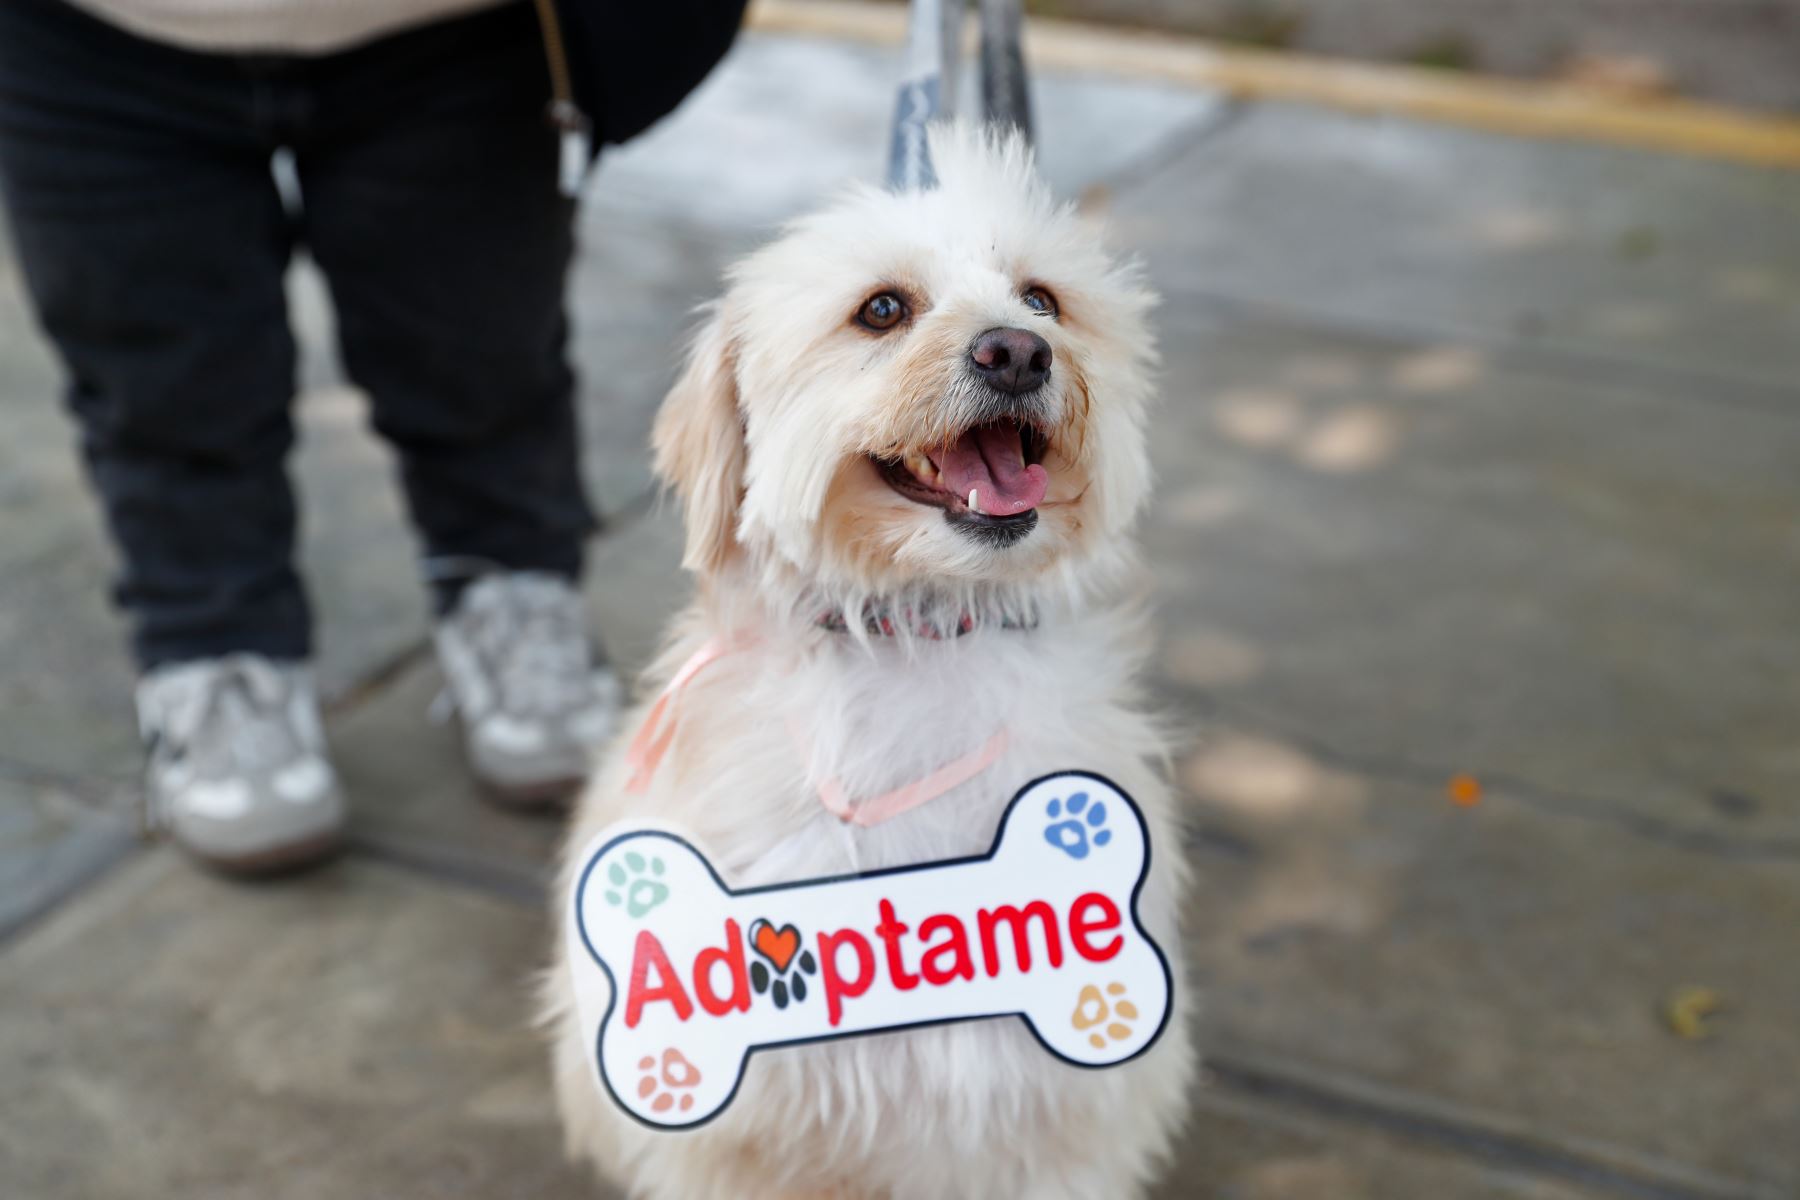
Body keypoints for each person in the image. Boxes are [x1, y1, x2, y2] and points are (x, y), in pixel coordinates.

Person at [0, 0, 738, 874]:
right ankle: (213, 647)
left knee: (482, 355)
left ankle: (513, 590)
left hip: (452, 34)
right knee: (158, 389)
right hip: (92, 42)